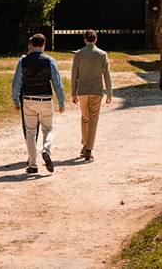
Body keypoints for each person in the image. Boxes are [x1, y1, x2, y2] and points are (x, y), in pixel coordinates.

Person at [10, 33, 65, 174]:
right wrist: (61, 101)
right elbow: (57, 83)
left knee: (30, 132)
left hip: (28, 99)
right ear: (43, 44)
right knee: (48, 129)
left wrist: (16, 100)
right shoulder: (50, 61)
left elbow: (16, 82)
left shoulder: (23, 60)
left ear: (31, 45)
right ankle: (46, 150)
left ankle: (33, 164)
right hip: (45, 99)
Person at [69, 30, 112, 161]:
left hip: (82, 91)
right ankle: (88, 149)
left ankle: (84, 145)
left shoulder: (79, 54)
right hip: (96, 91)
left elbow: (74, 75)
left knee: (84, 118)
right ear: (96, 39)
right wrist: (109, 92)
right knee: (94, 119)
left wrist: (73, 93)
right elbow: (107, 75)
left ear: (85, 40)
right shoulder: (102, 54)